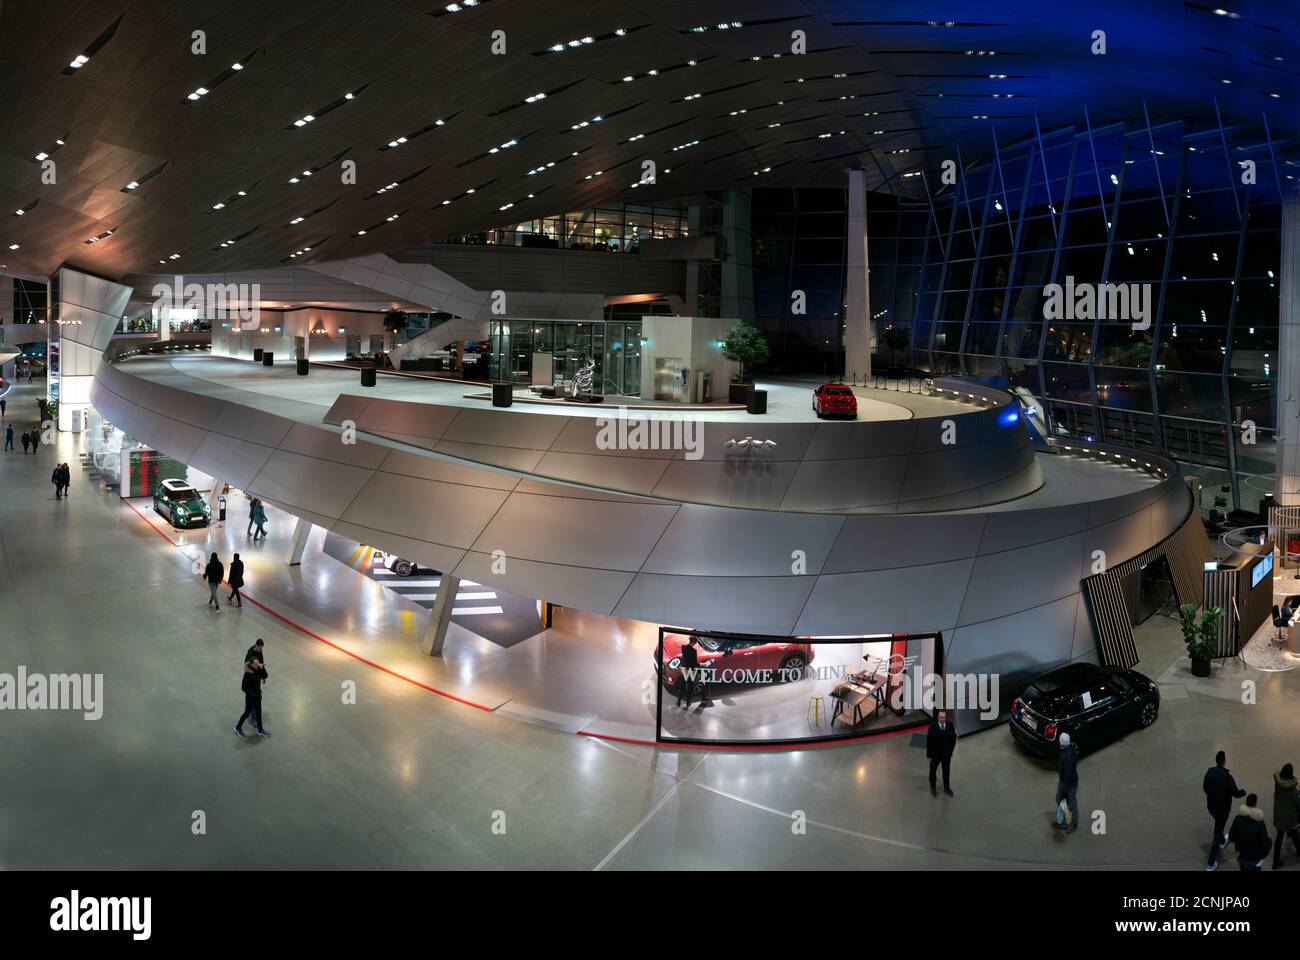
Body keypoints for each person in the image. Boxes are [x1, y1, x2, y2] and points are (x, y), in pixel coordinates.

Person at [1204, 750, 1246, 870]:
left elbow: (1205, 788)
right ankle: (1211, 864)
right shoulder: (1228, 778)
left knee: (1219, 825)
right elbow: (1236, 793)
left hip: (1211, 807)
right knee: (1217, 834)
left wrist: (1212, 796)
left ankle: (1223, 841)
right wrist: (1243, 792)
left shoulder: (1209, 772)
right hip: (1223, 810)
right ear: (1224, 761)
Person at [1229, 794, 1271, 871]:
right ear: (1255, 804)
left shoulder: (1238, 819)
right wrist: (1263, 853)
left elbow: (1231, 837)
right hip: (1254, 859)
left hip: (1241, 856)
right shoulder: (1260, 824)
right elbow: (1265, 843)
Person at [234, 656, 270, 738]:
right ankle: (237, 728)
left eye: (258, 663)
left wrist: (262, 668)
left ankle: (260, 730)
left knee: (258, 713)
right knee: (246, 713)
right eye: (256, 664)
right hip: (250, 698)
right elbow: (243, 687)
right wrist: (252, 694)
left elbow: (265, 675)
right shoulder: (248, 674)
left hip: (257, 696)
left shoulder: (258, 669)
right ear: (251, 664)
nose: (257, 665)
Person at [1273, 763, 1300, 869]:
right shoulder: (1292, 790)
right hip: (1289, 818)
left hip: (1279, 815)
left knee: (1279, 837)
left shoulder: (1277, 783)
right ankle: (1298, 850)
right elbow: (1297, 804)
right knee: (1293, 833)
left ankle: (1276, 861)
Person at [926, 709, 957, 797]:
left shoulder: (950, 725)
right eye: (940, 717)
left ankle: (947, 788)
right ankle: (933, 788)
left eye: (944, 717)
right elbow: (929, 742)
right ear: (938, 717)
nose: (942, 719)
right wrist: (929, 755)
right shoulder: (932, 727)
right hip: (935, 755)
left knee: (946, 771)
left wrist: (950, 751)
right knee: (932, 772)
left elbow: (953, 739)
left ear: (946, 717)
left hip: (946, 755)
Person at [1055, 732, 1080, 832]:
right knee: (1059, 799)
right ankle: (1066, 818)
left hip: (1069, 784)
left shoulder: (1068, 756)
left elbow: (1068, 775)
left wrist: (1065, 788)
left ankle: (1073, 823)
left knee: (1072, 803)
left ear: (1063, 744)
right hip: (1065, 781)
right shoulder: (1067, 749)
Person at [675, 638, 700, 708]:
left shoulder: (683, 647)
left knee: (681, 686)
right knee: (690, 687)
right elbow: (694, 663)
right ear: (694, 642)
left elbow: (686, 657)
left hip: (684, 669)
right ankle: (688, 703)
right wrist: (700, 665)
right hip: (691, 670)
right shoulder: (694, 651)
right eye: (695, 643)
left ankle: (678, 701)